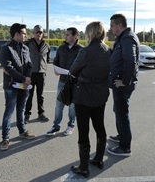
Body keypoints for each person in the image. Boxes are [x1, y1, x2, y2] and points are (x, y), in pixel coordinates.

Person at [69, 21, 111, 178]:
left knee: (83, 131)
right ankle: (99, 159)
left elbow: (73, 70)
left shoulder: (85, 52)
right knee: (100, 126)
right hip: (101, 95)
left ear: (90, 33)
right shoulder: (108, 50)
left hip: (84, 96)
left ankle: (84, 167)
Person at [107, 13, 140, 157]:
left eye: (112, 25)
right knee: (118, 111)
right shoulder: (123, 38)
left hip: (122, 85)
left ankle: (125, 147)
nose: (111, 28)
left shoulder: (127, 38)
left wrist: (125, 81)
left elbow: (130, 61)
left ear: (119, 25)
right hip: (119, 83)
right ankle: (122, 135)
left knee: (122, 113)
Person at [0, 23, 35, 151]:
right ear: (17, 34)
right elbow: (8, 68)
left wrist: (27, 79)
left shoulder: (25, 48)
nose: (26, 35)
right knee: (9, 112)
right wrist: (23, 78)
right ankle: (5, 139)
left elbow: (29, 65)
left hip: (24, 84)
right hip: (11, 85)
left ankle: (22, 131)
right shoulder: (6, 48)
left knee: (21, 110)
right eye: (24, 33)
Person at [46, 27, 83, 136]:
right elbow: (56, 61)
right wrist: (56, 69)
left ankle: (71, 125)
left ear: (75, 36)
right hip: (62, 81)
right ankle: (56, 126)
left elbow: (83, 66)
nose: (65, 37)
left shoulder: (81, 50)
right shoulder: (62, 48)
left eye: (67, 35)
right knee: (59, 104)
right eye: (65, 34)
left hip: (75, 83)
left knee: (72, 106)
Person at [24, 25, 50, 123]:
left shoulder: (46, 45)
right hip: (30, 74)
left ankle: (41, 114)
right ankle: (27, 114)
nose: (39, 34)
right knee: (29, 95)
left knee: (41, 95)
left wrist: (44, 68)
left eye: (40, 32)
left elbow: (46, 59)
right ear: (33, 33)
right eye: (37, 32)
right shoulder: (27, 44)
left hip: (41, 74)